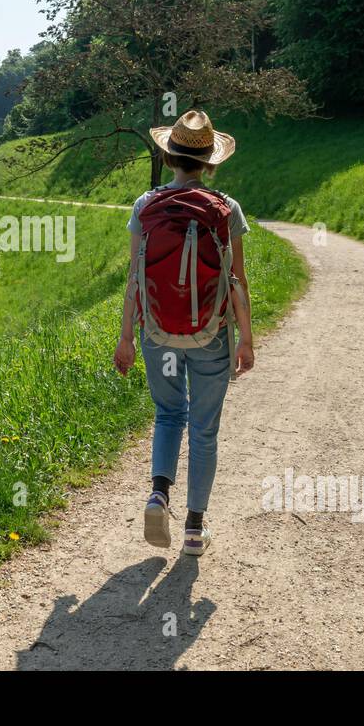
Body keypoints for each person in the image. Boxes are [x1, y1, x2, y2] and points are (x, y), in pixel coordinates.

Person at [113, 109, 255, 556]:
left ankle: (158, 494)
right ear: (210, 162)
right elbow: (237, 280)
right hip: (210, 333)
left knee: (168, 414)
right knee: (204, 428)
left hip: (157, 331)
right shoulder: (226, 208)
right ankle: (195, 528)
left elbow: (135, 276)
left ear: (170, 156)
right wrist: (246, 338)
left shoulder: (145, 205)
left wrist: (126, 338)